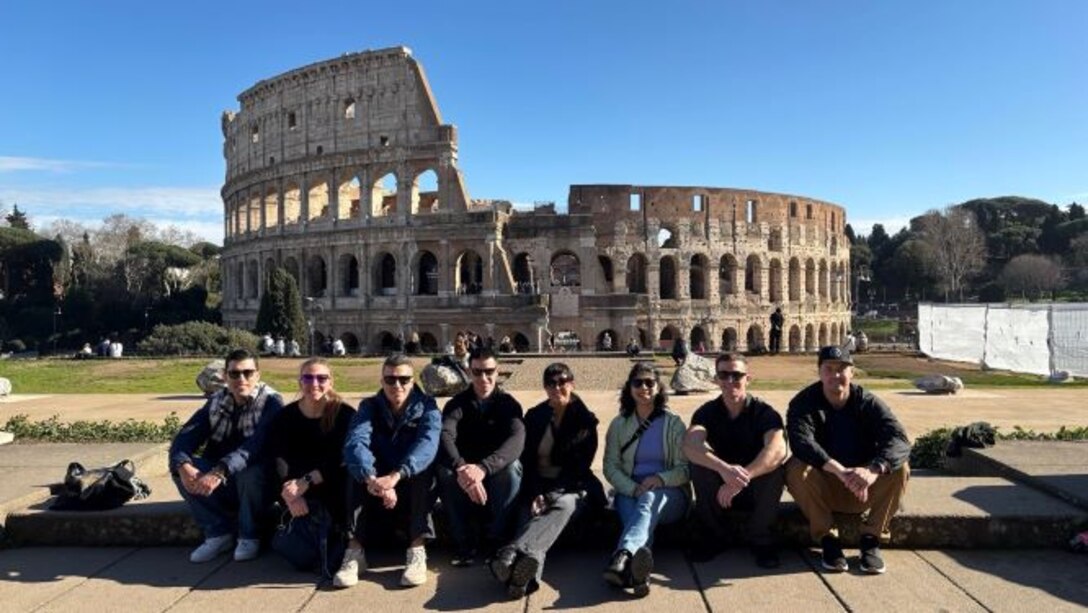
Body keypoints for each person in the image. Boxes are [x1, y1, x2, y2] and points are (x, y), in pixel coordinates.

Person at [786, 345, 911, 575]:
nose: (835, 375)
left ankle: (871, 538)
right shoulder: (804, 403)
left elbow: (899, 440)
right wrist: (839, 470)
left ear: (852, 373)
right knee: (795, 467)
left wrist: (873, 470)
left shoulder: (868, 402)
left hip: (863, 487)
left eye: (842, 369)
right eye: (829, 369)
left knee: (899, 467)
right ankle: (827, 538)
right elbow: (801, 442)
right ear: (819, 372)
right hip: (826, 487)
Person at [489, 363, 605, 598]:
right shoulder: (535, 416)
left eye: (562, 381)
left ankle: (511, 553)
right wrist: (536, 493)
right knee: (529, 519)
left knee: (563, 506)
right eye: (551, 383)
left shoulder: (585, 420)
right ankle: (524, 581)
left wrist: (549, 496)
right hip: (538, 484)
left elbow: (578, 469)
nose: (556, 387)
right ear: (544, 387)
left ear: (572, 384)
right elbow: (527, 462)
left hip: (572, 487)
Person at [169, 348, 284, 563]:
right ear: (225, 376)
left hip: (260, 483)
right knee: (181, 468)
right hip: (224, 479)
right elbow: (185, 437)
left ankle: (249, 535)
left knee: (250, 472)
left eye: (248, 373)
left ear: (258, 375)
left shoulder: (271, 403)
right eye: (234, 373)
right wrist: (183, 464)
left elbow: (255, 447)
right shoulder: (217, 401)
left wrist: (219, 471)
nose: (242, 379)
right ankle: (218, 533)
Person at [340, 354, 441, 588]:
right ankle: (354, 551)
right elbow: (356, 442)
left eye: (404, 379)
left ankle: (417, 549)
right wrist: (371, 478)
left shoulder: (427, 406)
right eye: (390, 379)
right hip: (377, 482)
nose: (397, 385)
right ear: (382, 381)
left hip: (407, 477)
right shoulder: (369, 407)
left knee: (424, 470)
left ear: (412, 381)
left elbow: (427, 444)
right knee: (353, 469)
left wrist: (397, 476)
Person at [683, 353, 787, 568]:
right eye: (723, 375)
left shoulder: (764, 413)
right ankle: (714, 535)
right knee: (698, 465)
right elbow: (690, 445)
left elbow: (777, 450)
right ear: (716, 379)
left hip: (754, 487)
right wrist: (724, 470)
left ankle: (761, 538)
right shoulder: (707, 412)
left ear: (748, 378)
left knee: (775, 470)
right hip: (721, 490)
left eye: (737, 375)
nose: (730, 381)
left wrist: (741, 478)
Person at [602, 363, 690, 597]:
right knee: (638, 514)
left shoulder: (673, 424)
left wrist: (660, 479)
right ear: (629, 388)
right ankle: (636, 572)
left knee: (648, 500)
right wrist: (632, 488)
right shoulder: (619, 424)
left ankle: (622, 555)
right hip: (629, 491)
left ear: (659, 387)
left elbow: (685, 469)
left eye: (649, 382)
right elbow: (610, 466)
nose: (644, 387)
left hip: (670, 493)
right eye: (637, 382)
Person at [265, 357, 356, 577]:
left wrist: (309, 479)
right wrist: (290, 494)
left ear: (331, 382)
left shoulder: (345, 415)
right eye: (308, 378)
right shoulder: (285, 417)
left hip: (333, 485)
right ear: (300, 382)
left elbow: (343, 459)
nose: (314, 383)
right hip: (297, 489)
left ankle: (346, 544)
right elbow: (277, 458)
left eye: (321, 378)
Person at [436, 347, 525, 566]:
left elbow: (516, 440)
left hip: (494, 471)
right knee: (445, 471)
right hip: (465, 472)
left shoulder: (508, 404)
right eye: (477, 372)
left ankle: (497, 540)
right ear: (469, 372)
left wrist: (483, 468)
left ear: (497, 371)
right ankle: (464, 542)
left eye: (489, 371)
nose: (483, 378)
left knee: (513, 468)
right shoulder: (457, 404)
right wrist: (461, 467)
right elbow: (445, 435)